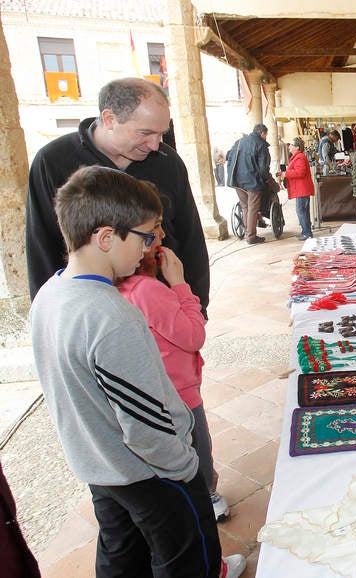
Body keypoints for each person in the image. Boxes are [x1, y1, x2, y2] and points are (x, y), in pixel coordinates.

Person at [29, 166, 245, 578]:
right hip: (150, 472)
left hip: (97, 462)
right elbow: (144, 423)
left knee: (120, 553)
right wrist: (185, 470)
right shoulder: (110, 314)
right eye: (145, 237)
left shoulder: (51, 293)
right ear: (106, 237)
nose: (148, 249)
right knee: (186, 558)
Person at [26, 77, 210, 317]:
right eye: (145, 133)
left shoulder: (168, 162)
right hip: (93, 314)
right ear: (109, 119)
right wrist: (50, 317)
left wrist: (198, 306)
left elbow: (190, 236)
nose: (155, 145)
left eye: (161, 134)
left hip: (162, 310)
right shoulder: (52, 161)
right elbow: (41, 246)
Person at [118, 224, 230, 523]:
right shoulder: (148, 290)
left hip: (160, 390)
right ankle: (206, 498)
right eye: (154, 228)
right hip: (178, 392)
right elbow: (193, 336)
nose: (164, 233)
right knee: (196, 450)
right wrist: (180, 284)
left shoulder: (123, 287)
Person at [227, 123, 273, 245]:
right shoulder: (261, 144)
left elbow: (229, 157)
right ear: (262, 133)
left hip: (237, 180)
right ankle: (251, 236)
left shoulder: (240, 142)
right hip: (252, 181)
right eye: (266, 134)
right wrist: (266, 180)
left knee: (245, 207)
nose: (266, 137)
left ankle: (248, 232)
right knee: (253, 208)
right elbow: (264, 167)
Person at [277, 137, 315, 241]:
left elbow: (300, 172)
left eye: (291, 145)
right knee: (303, 211)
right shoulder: (297, 157)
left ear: (297, 147)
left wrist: (286, 173)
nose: (289, 146)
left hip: (302, 189)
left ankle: (307, 233)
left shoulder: (300, 157)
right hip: (301, 188)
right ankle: (306, 232)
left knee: (301, 211)